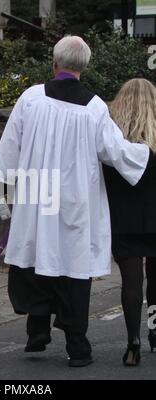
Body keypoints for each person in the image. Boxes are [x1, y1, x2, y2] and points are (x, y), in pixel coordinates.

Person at [0, 36, 152, 367]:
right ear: (84, 67)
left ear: (54, 63)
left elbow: (11, 145)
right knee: (72, 267)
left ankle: (37, 329)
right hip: (76, 201)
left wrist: (2, 181)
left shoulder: (31, 98)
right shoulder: (93, 107)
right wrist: (144, 153)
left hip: (37, 197)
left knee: (36, 256)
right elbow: (114, 152)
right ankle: (78, 346)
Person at [103, 78, 156, 366]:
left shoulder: (115, 141)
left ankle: (133, 340)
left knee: (131, 283)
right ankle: (154, 332)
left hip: (124, 220)